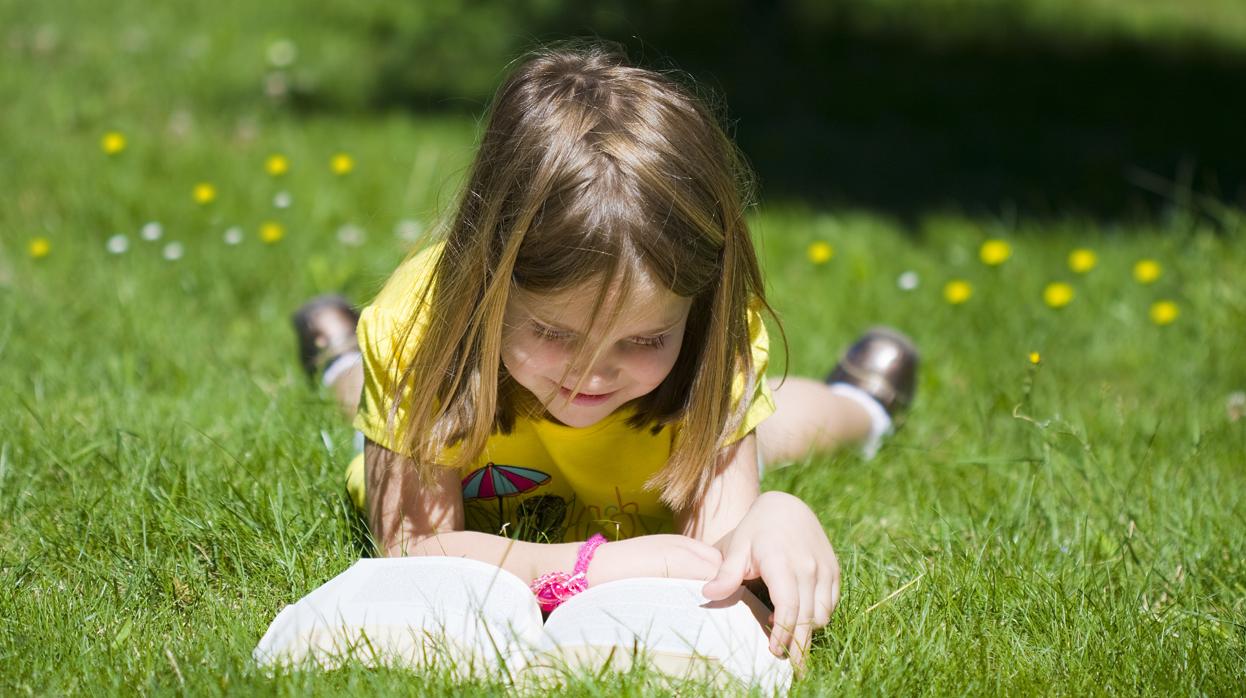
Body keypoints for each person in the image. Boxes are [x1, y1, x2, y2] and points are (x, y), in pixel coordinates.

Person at [291, 44, 918, 672]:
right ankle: (347, 360)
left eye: (644, 339)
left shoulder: (709, 343)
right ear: (490, 282)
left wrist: (777, 518)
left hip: (648, 445)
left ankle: (862, 406)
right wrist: (591, 567)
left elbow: (714, 561)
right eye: (555, 333)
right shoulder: (420, 331)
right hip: (459, 406)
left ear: (697, 310)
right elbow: (412, 556)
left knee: (775, 431)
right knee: (372, 401)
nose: (590, 374)